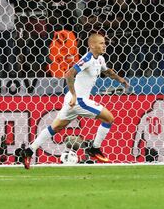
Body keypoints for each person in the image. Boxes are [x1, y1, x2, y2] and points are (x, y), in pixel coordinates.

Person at [20, 33, 129, 168]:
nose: (104, 45)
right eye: (101, 43)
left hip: (72, 100)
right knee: (109, 118)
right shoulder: (87, 59)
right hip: (79, 100)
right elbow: (70, 73)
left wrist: (120, 79)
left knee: (56, 127)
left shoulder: (100, 59)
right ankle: (94, 149)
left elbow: (107, 71)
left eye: (104, 42)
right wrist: (74, 95)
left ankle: (29, 150)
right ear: (92, 45)